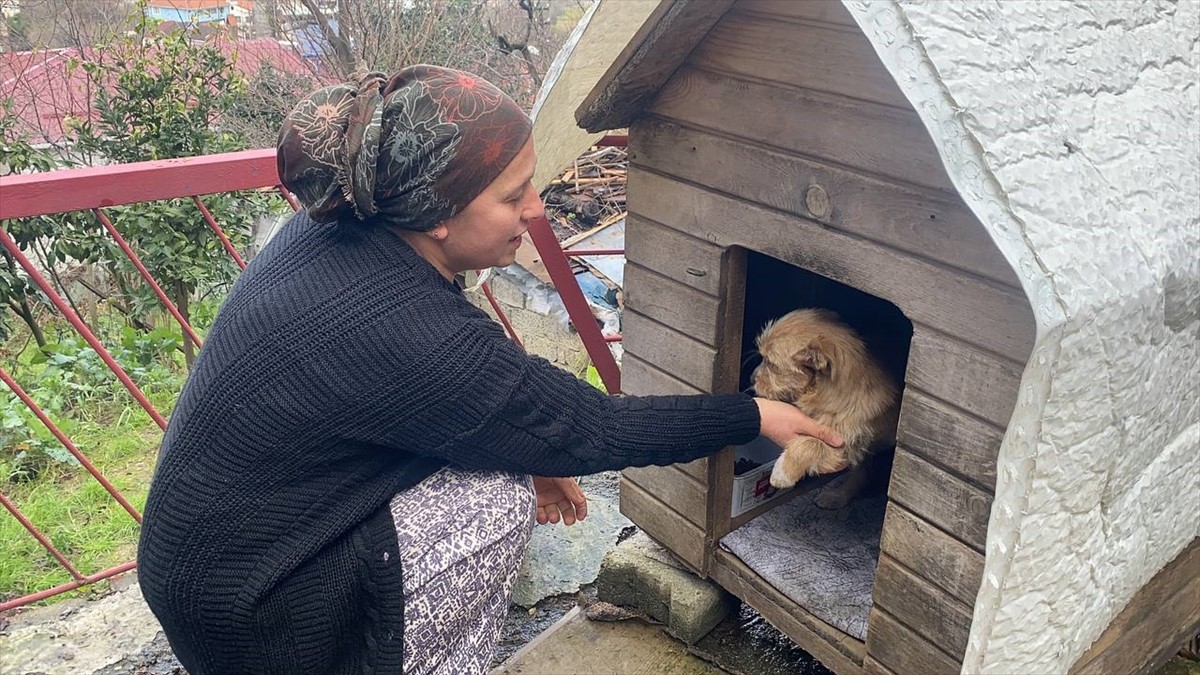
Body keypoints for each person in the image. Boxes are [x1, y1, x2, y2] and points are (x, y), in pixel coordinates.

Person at [136, 65, 844, 675]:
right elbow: (594, 425)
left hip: (211, 556)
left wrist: (528, 441)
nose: (536, 211)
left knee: (508, 462)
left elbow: (438, 403)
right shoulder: (410, 329)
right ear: (437, 212)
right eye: (514, 195)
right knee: (497, 498)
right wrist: (755, 415)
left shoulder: (346, 222)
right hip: (260, 616)